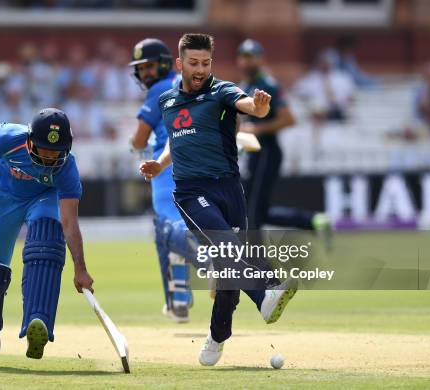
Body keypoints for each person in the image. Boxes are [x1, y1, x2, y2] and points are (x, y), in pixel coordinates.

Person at [139, 33, 297, 366]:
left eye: (206, 63)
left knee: (227, 275)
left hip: (228, 189)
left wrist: (259, 107)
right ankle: (263, 294)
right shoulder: (167, 101)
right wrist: (161, 163)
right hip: (190, 191)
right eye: (193, 63)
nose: (200, 70)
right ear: (181, 64)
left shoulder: (221, 90)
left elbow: (247, 104)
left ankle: (216, 336)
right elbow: (175, 140)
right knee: (227, 248)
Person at [0, 108, 94, 360]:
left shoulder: (67, 170)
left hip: (43, 197)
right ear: (29, 140)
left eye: (57, 151)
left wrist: (80, 268)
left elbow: (69, 223)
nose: (51, 157)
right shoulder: (10, 136)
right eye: (44, 149)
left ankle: (37, 320)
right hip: (3, 194)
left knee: (47, 245)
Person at [128, 38, 196, 322]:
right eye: (140, 69)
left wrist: (134, 145)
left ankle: (210, 264)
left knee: (171, 229)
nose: (144, 73)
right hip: (201, 162)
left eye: (149, 66)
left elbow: (139, 139)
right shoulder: (196, 82)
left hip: (166, 166)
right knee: (189, 224)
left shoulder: (159, 89)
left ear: (165, 63)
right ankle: (178, 299)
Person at [236, 39, 331, 235]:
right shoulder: (245, 85)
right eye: (244, 58)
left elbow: (289, 119)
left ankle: (257, 264)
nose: (247, 62)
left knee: (251, 209)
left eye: (251, 57)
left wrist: (258, 129)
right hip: (252, 152)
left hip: (266, 152)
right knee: (256, 209)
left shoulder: (266, 84)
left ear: (260, 59)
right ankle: (314, 221)